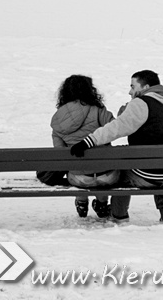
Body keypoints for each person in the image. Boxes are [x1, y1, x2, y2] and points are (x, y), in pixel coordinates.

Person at [70, 70, 163, 224]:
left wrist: (89, 141)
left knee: (120, 170)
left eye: (133, 86)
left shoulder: (142, 103)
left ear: (145, 87)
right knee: (158, 160)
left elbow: (118, 127)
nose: (130, 91)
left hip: (149, 175)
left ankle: (119, 215)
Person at [51, 75, 119, 219]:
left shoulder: (58, 119)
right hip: (107, 176)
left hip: (79, 178)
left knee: (76, 167)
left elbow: (60, 153)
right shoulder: (99, 110)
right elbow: (116, 128)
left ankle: (81, 200)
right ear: (90, 91)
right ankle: (102, 202)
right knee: (104, 168)